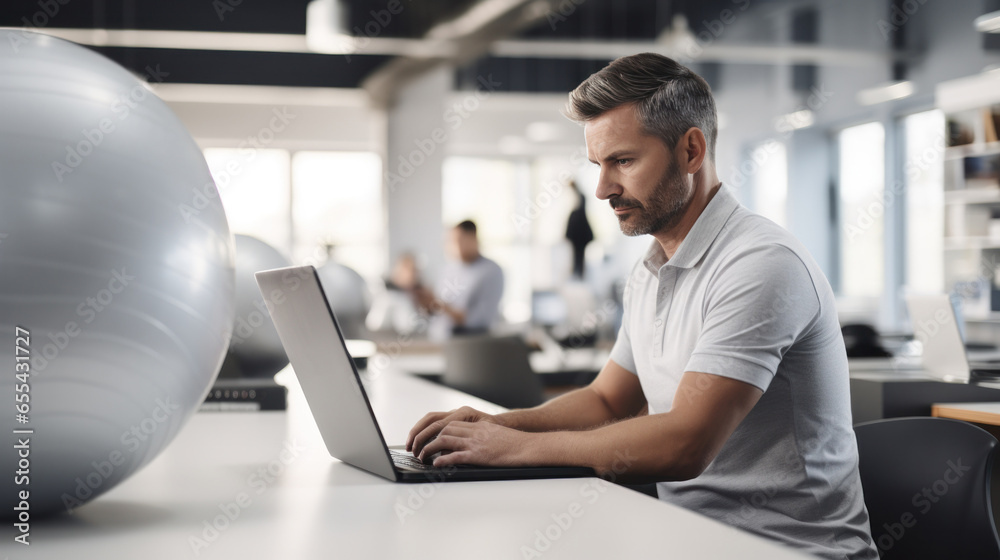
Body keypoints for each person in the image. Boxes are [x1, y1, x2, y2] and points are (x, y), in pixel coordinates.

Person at [406, 53, 878, 559]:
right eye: (598, 166)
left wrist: (515, 448)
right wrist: (498, 426)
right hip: (682, 538)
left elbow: (685, 444)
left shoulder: (761, 264)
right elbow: (607, 401)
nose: (603, 189)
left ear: (691, 150)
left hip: (787, 549)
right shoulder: (650, 270)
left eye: (623, 162)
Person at [416, 220, 504, 340]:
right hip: (439, 340)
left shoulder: (491, 271)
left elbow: (481, 319)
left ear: (474, 239)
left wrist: (445, 308)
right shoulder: (448, 269)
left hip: (471, 342)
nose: (453, 246)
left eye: (459, 241)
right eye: (450, 242)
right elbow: (437, 311)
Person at [564, 181, 594, 279]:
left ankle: (579, 275)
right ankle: (578, 274)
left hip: (580, 232)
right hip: (578, 232)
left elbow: (579, 215)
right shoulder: (578, 197)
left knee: (579, 255)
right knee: (577, 255)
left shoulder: (580, 197)